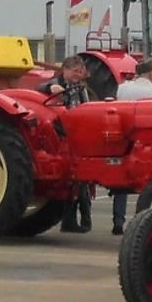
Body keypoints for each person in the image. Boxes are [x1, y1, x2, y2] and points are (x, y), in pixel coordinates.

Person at [110, 60, 152, 235]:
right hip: (148, 142)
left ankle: (118, 222)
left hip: (124, 139)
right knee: (149, 185)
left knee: (121, 184)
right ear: (151, 73)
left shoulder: (122, 88)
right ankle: (143, 222)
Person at [37, 55, 92, 232]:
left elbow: (86, 107)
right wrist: (50, 87)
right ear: (66, 70)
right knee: (72, 180)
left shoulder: (81, 88)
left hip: (77, 133)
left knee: (81, 181)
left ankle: (84, 220)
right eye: (75, 71)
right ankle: (70, 221)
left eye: (80, 71)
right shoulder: (56, 83)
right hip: (60, 134)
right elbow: (40, 88)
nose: (78, 74)